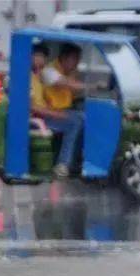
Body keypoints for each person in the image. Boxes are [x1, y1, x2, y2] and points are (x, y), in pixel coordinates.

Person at [30, 44, 83, 178]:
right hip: (35, 119)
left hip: (42, 116)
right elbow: (32, 107)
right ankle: (63, 164)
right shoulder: (27, 78)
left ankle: (75, 160)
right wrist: (57, 114)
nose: (41, 60)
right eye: (38, 56)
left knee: (79, 117)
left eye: (43, 57)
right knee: (74, 122)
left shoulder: (37, 75)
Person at [42, 42, 86, 112]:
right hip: (54, 111)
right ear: (64, 57)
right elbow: (70, 85)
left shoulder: (69, 72)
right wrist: (92, 87)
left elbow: (75, 92)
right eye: (74, 59)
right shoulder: (49, 71)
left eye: (78, 59)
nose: (77, 63)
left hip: (68, 107)